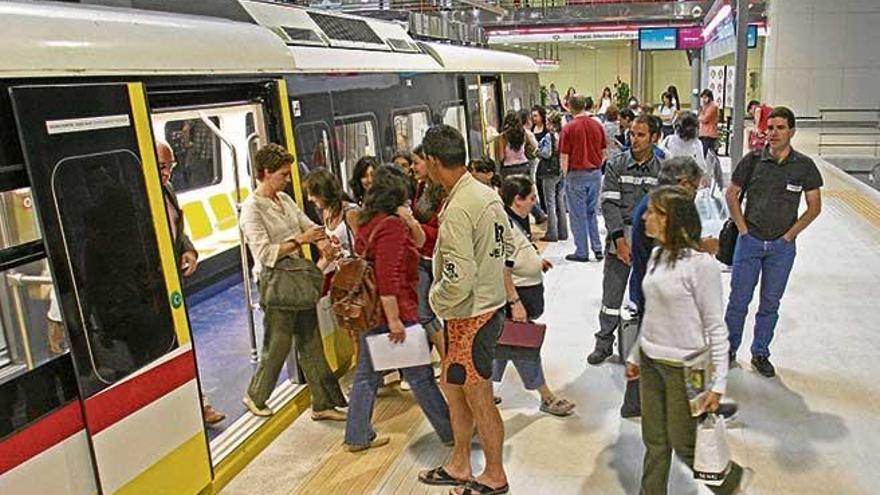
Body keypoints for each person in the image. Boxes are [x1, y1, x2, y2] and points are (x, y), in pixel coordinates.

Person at [625, 185, 753, 495]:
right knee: (654, 441)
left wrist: (719, 384)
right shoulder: (656, 255)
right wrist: (635, 354)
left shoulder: (701, 264)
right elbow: (652, 312)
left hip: (688, 367)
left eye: (655, 212)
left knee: (683, 442)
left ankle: (731, 481)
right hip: (652, 363)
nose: (646, 217)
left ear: (674, 220)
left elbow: (716, 328)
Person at [418, 125, 517, 495]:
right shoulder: (485, 194)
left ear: (432, 161)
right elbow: (506, 244)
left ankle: (494, 474)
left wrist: (434, 300)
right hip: (484, 309)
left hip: (470, 315)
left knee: (479, 397)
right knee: (455, 387)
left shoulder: (459, 207)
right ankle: (460, 464)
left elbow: (459, 277)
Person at [343, 165, 453, 452]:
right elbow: (387, 276)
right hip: (398, 313)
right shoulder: (390, 225)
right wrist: (395, 320)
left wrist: (409, 219)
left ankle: (356, 435)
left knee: (367, 376)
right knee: (421, 377)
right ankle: (450, 431)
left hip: (374, 313)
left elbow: (418, 241)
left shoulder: (369, 222)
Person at [240, 143, 347, 419]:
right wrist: (301, 240)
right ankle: (255, 395)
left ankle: (323, 403)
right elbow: (265, 253)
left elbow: (307, 225)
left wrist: (323, 242)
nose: (288, 181)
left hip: (296, 279)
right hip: (276, 283)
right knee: (278, 343)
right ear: (265, 172)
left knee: (311, 341)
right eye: (283, 175)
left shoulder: (284, 201)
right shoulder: (252, 209)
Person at [623, 157, 735, 419]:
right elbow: (668, 253)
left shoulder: (656, 205)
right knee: (689, 351)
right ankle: (698, 407)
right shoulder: (657, 212)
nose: (695, 194)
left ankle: (638, 403)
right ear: (684, 184)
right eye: (694, 187)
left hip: (653, 293)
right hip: (663, 297)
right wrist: (701, 248)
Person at [724, 106, 823, 378]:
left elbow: (814, 206)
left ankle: (760, 352)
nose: (774, 133)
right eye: (770, 128)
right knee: (738, 300)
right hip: (750, 242)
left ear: (792, 131)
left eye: (780, 127)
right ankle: (729, 348)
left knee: (770, 303)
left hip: (781, 248)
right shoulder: (753, 160)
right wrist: (743, 230)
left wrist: (790, 235)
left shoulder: (804, 166)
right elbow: (732, 194)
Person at [493, 176, 576, 417]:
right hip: (515, 298)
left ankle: (481, 390)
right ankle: (547, 397)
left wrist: (536, 261)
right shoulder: (505, 226)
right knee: (523, 347)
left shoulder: (516, 220)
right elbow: (502, 267)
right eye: (531, 198)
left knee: (502, 346)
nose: (534, 202)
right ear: (517, 200)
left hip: (523, 295)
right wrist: (514, 302)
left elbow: (518, 253)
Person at [156, 141, 225, 426]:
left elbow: (177, 231)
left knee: (184, 346)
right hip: (150, 292)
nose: (166, 173)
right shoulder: (133, 198)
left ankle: (200, 403)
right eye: (161, 166)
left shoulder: (168, 191)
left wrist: (189, 250)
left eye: (169, 166)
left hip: (172, 287)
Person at [588, 115, 663, 365]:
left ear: (655, 138)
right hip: (619, 237)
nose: (634, 139)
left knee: (648, 295)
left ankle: (645, 345)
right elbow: (609, 204)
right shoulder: (616, 164)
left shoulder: (663, 169)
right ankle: (604, 344)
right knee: (611, 296)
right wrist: (619, 241)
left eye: (641, 135)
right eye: (632, 133)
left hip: (650, 243)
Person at [559, 94, 607, 262]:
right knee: (592, 212)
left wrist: (565, 176)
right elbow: (604, 153)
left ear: (570, 107)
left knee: (577, 215)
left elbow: (564, 156)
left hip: (576, 174)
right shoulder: (597, 125)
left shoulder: (568, 129)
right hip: (595, 173)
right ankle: (598, 248)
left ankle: (582, 251)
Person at [411, 145, 448, 355]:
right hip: (422, 258)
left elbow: (441, 231)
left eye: (417, 162)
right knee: (425, 312)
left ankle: (447, 357)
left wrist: (415, 227)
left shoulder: (442, 192)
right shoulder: (420, 187)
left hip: (435, 259)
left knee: (428, 313)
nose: (414, 167)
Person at [303, 167, 358, 272]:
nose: (309, 198)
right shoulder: (325, 213)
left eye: (312, 193)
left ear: (322, 192)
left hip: (356, 274)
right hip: (342, 275)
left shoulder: (351, 213)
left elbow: (365, 247)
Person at [536, 111, 568, 242]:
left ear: (551, 123)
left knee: (550, 203)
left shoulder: (550, 136)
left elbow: (547, 153)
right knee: (560, 201)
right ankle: (563, 232)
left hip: (550, 171)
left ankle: (552, 233)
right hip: (561, 169)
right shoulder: (563, 134)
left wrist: (538, 151)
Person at [493, 111, 531, 180]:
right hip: (524, 166)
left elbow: (501, 157)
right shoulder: (524, 134)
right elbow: (531, 147)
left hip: (509, 169)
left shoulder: (503, 137)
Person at [698, 89, 720, 157]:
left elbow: (705, 119)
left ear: (709, 97)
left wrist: (699, 117)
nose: (703, 100)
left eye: (705, 97)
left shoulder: (713, 106)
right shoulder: (705, 106)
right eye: (703, 98)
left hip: (709, 134)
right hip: (703, 133)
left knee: (707, 154)